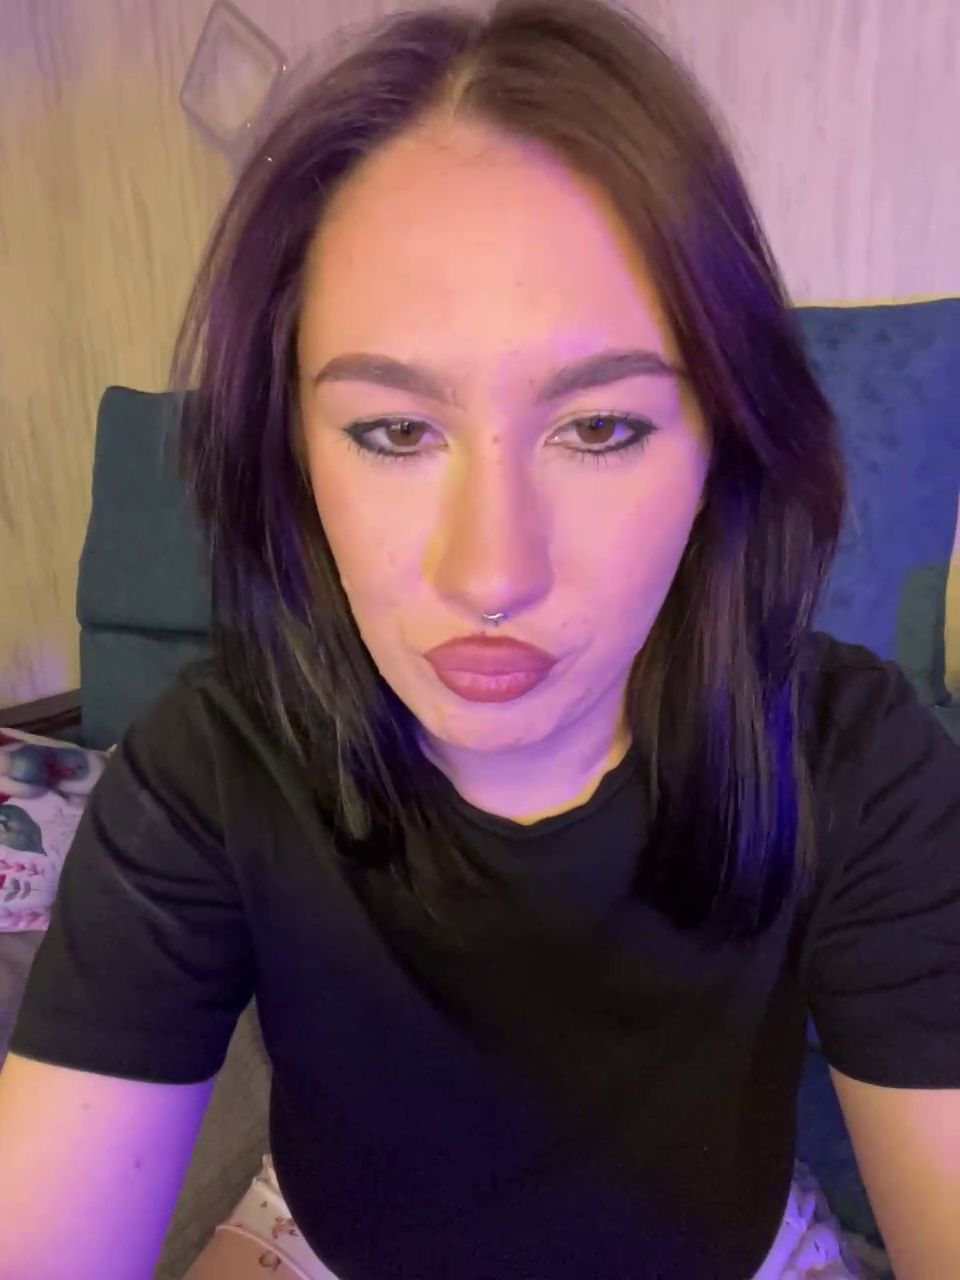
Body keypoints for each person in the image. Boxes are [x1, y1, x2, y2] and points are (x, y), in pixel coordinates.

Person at [1, 1, 957, 1276]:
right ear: (295, 458)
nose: (491, 572)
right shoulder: (207, 774)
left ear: (723, 445)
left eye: (600, 428)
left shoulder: (858, 763)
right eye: (396, 431)